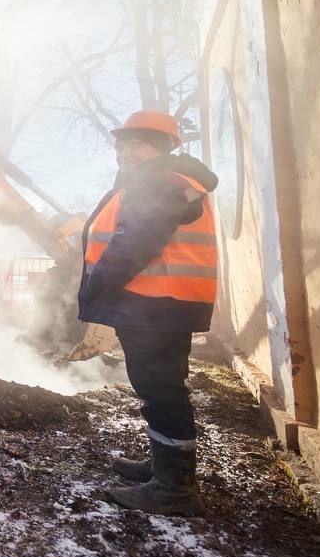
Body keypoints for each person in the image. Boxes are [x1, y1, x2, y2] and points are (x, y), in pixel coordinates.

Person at [78, 110, 219, 516]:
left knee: (160, 388)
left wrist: (97, 286)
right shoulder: (170, 180)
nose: (125, 151)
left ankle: (174, 489)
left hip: (153, 303)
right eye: (121, 144)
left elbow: (133, 243)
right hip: (159, 303)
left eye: (136, 143)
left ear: (161, 148)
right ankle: (165, 467)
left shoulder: (160, 181)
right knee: (160, 386)